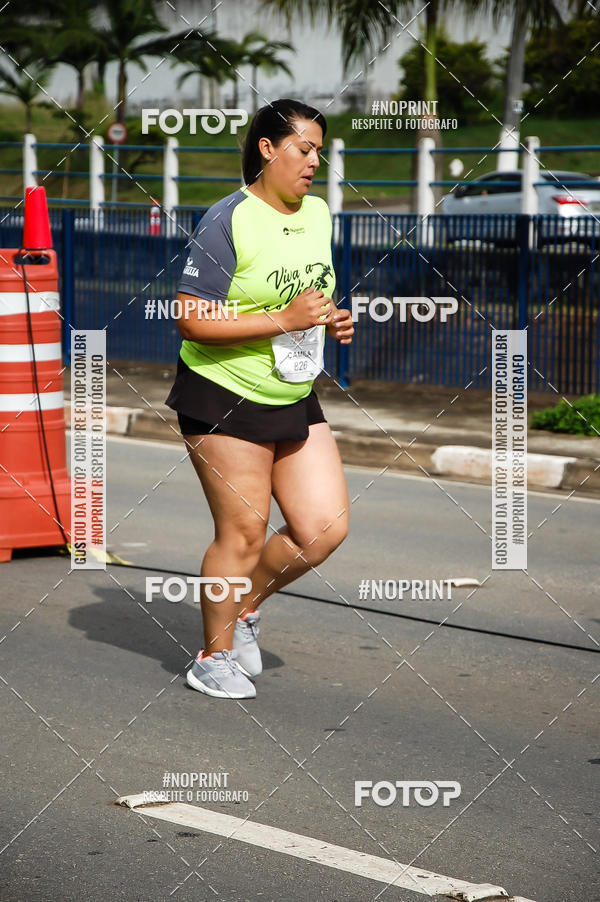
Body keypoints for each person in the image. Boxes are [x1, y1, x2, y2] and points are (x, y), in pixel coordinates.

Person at [165, 98, 354, 699]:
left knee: (323, 529)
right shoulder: (228, 219)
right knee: (243, 532)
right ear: (267, 149)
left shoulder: (319, 212)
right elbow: (190, 319)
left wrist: (329, 319)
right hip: (222, 391)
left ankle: (241, 608)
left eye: (319, 151)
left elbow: (306, 295)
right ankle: (211, 656)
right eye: (304, 149)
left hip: (291, 390)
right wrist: (281, 318)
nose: (314, 162)